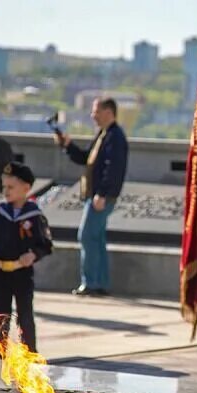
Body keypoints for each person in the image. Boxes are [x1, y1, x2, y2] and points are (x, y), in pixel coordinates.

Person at [54, 97, 128, 296]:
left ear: (108, 112)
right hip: (96, 195)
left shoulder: (115, 137)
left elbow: (113, 169)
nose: (92, 115)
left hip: (101, 197)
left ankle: (91, 283)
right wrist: (68, 145)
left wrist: (102, 194)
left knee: (86, 236)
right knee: (97, 239)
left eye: (96, 111)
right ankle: (100, 283)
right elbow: (87, 159)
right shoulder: (104, 134)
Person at [0, 162, 53, 356]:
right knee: (1, 314)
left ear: (26, 188)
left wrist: (34, 255)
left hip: (22, 272)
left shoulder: (34, 215)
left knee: (25, 314)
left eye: (11, 187)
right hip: (0, 271)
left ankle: (29, 351)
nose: (6, 191)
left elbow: (45, 243)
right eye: (4, 187)